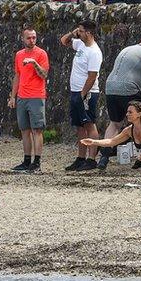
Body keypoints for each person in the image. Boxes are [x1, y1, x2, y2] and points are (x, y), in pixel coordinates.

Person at [82, 101, 141, 240]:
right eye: (127, 112)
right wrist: (94, 142)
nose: (127, 114)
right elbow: (112, 141)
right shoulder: (129, 130)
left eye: (130, 112)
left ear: (139, 113)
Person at [99, 37, 141, 170]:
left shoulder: (126, 49)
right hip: (129, 89)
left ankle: (104, 158)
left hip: (110, 87)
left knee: (115, 123)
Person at [60, 21, 103, 172]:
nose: (79, 33)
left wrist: (83, 94)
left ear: (89, 33)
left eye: (82, 31)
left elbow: (92, 76)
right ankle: (81, 157)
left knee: (89, 124)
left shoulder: (94, 52)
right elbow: (64, 41)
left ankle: (91, 159)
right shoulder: (80, 45)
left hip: (87, 93)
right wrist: (73, 33)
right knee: (79, 125)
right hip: (75, 90)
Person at [8, 26, 49, 173]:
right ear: (23, 39)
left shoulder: (41, 54)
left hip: (36, 95)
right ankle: (26, 160)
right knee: (25, 130)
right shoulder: (19, 55)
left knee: (37, 129)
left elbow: (44, 74)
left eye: (34, 38)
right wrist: (13, 96)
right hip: (22, 96)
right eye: (29, 38)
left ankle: (36, 162)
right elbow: (17, 76)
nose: (32, 40)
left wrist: (34, 63)